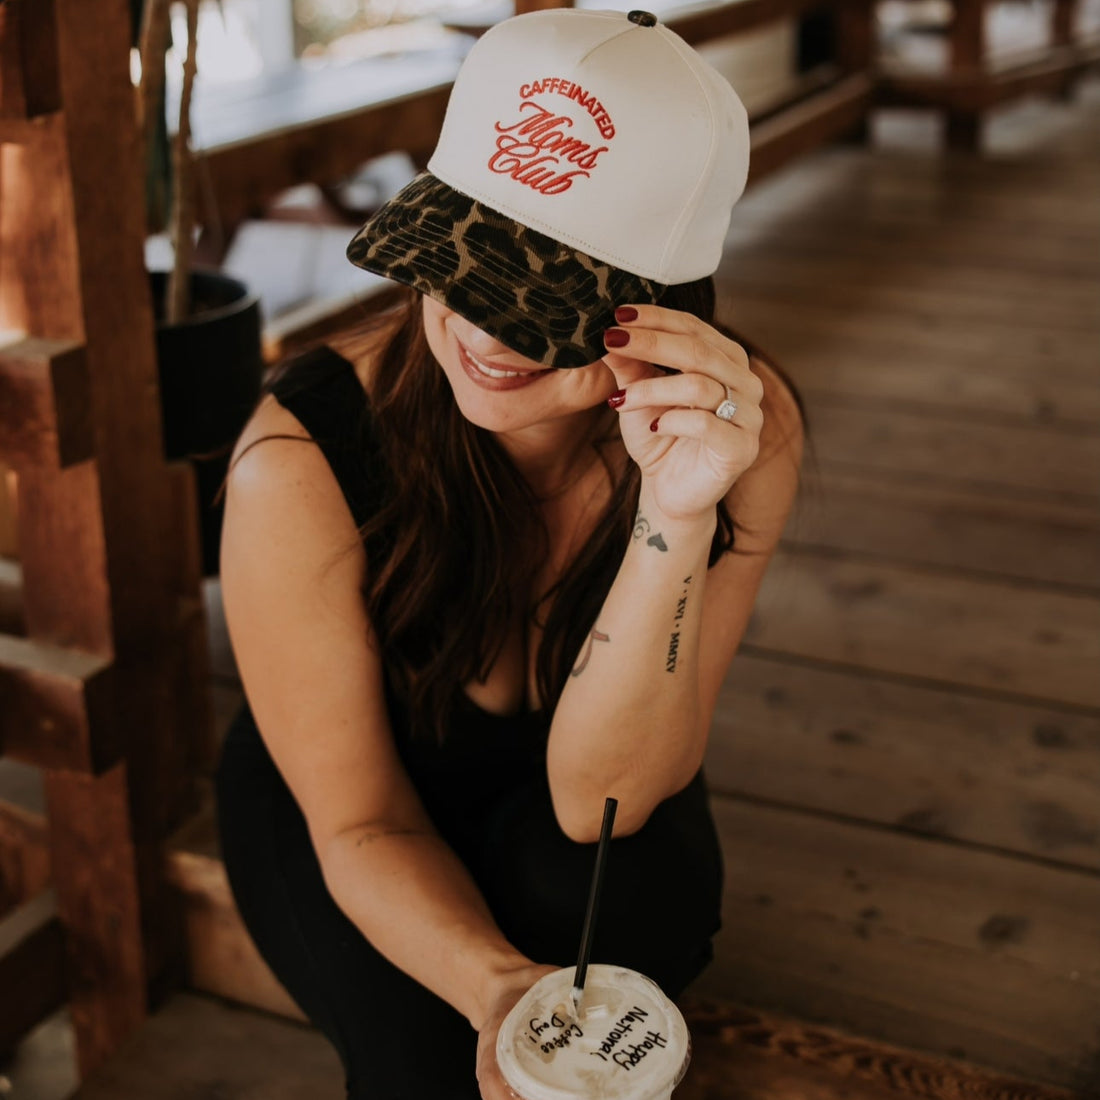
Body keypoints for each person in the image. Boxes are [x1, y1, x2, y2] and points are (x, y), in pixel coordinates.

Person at [215, 8, 805, 1099]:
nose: (482, 334)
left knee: (636, 910)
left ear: (663, 307)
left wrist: (671, 518)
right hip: (346, 804)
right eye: (460, 262)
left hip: (578, 791)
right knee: (426, 1071)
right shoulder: (295, 460)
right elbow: (359, 818)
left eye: (539, 302)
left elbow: (604, 801)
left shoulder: (738, 435)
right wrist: (499, 994)